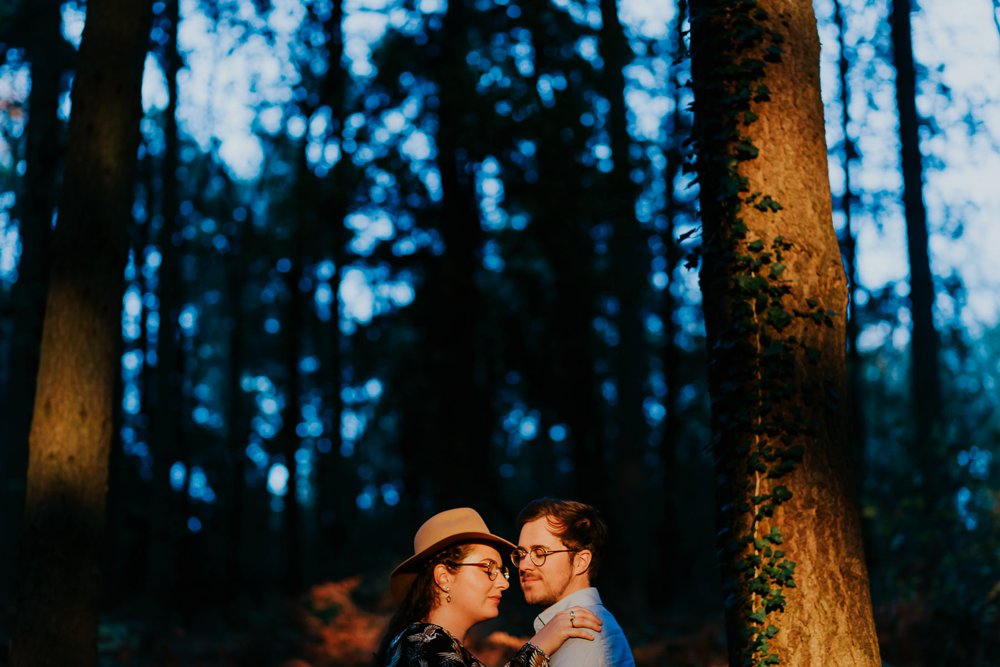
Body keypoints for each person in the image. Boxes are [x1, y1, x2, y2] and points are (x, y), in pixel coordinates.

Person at [374, 507, 603, 666]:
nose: (504, 582)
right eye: (488, 568)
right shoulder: (422, 644)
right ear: (444, 577)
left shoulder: (436, 646)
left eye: (502, 571)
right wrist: (539, 646)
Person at [513, 498, 635, 667]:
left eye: (540, 553)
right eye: (521, 554)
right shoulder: (562, 631)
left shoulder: (584, 635)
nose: (524, 565)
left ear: (581, 561)